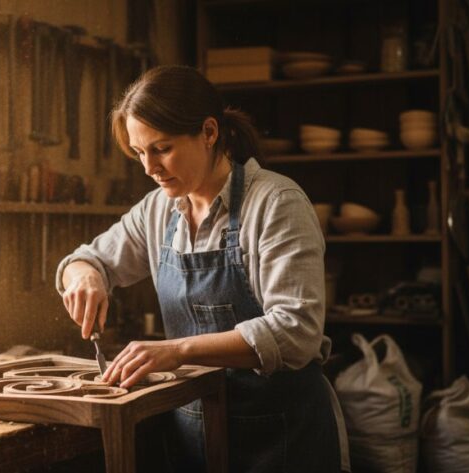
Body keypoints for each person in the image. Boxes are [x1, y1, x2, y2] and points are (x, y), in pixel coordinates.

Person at [56, 65, 349, 472]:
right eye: (139, 153)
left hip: (281, 435)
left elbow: (296, 330)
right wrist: (87, 275)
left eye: (161, 148)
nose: (149, 168)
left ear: (209, 132)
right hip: (195, 432)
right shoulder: (157, 209)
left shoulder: (276, 203)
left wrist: (178, 351)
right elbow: (85, 259)